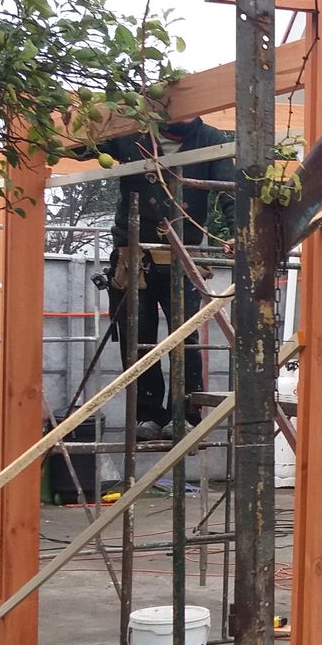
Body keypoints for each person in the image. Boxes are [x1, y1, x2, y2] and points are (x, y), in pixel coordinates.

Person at [100, 117, 236, 439]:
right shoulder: (131, 133)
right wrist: (102, 115)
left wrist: (239, 232)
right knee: (137, 337)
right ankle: (147, 414)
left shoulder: (210, 138)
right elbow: (82, 144)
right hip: (134, 256)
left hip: (182, 254)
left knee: (185, 337)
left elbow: (231, 192)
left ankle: (185, 412)